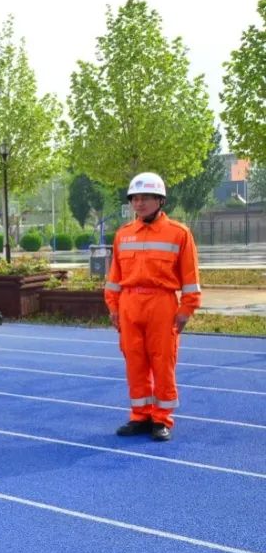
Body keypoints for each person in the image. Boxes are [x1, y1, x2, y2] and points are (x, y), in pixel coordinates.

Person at [105, 172, 201, 442]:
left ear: (160, 200)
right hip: (129, 304)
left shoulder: (179, 234)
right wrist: (113, 306)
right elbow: (114, 278)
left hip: (162, 304)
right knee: (134, 362)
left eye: (145, 197)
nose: (139, 203)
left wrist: (187, 309)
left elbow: (191, 279)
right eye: (135, 198)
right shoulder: (123, 235)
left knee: (162, 362)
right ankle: (140, 415)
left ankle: (161, 419)